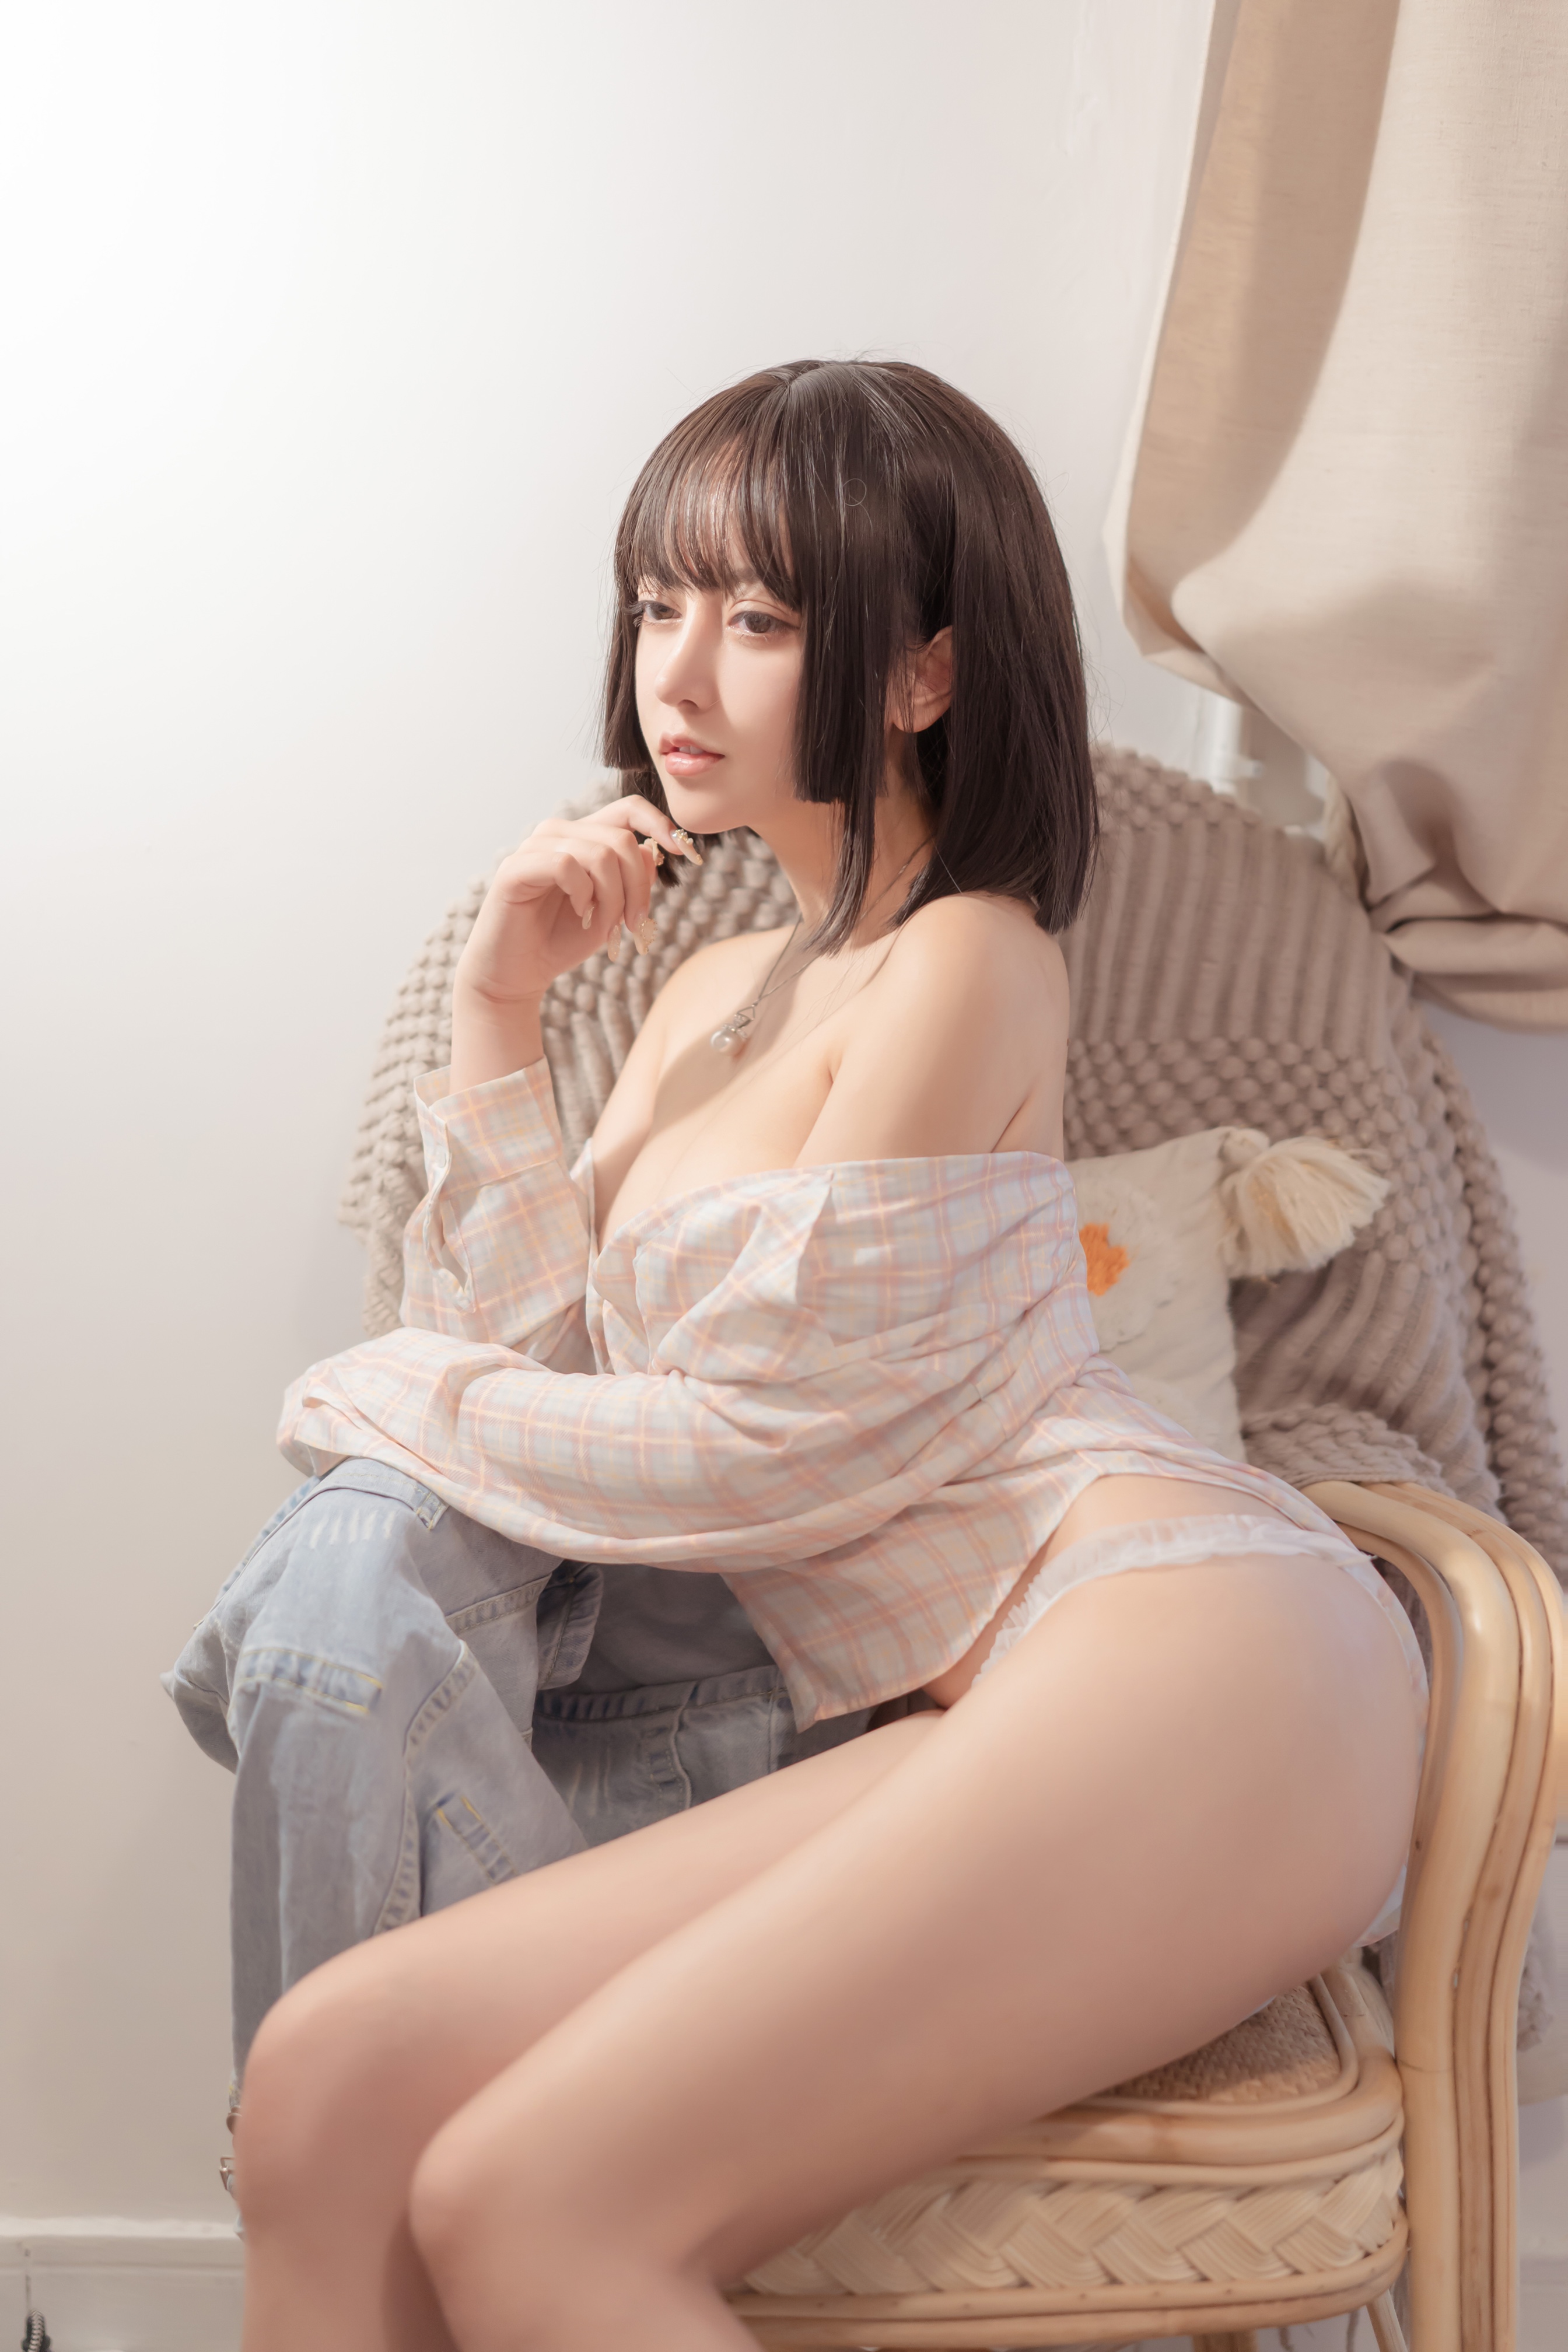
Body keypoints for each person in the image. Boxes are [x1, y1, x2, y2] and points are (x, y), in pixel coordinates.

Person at [205, 359, 1426, 2352]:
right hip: (982, 1703)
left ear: (923, 673)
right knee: (330, 2081)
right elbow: (526, 1360)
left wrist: (371, 1397)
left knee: (531, 2202)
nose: (678, 672)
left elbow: (778, 1451)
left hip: (1192, 1639)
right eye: (659, 603)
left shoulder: (972, 956)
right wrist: (503, 1012)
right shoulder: (702, 989)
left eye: (761, 619)